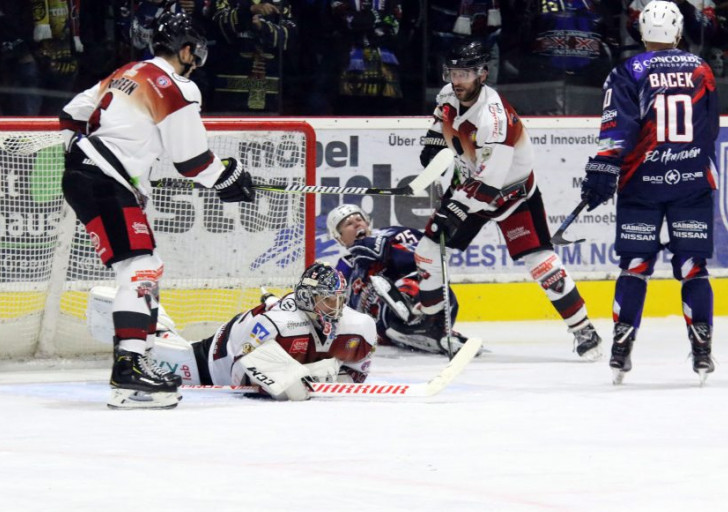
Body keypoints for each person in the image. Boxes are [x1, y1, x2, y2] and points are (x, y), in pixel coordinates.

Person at [59, 11, 255, 409]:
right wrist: (228, 178)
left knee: (149, 266)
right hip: (104, 182)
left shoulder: (126, 71)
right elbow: (194, 162)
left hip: (91, 177)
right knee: (139, 268)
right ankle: (129, 370)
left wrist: (91, 156)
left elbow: (72, 114)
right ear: (186, 49)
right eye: (195, 51)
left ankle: (137, 360)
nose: (196, 58)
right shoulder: (177, 87)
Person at [416, 40, 603, 361]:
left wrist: (456, 210)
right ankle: (433, 325)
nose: (457, 80)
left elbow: (490, 183)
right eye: (453, 73)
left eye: (465, 74)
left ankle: (582, 328)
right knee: (427, 251)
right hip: (468, 183)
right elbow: (440, 120)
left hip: (511, 191)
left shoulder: (494, 118)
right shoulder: (449, 93)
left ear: (482, 74)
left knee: (540, 262)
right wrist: (433, 145)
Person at [580, 0, 719, 384]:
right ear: (677, 32)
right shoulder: (701, 69)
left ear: (640, 32)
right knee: (693, 267)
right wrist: (687, 161)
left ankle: (621, 349)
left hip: (642, 183)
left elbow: (617, 129)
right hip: (692, 182)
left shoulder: (627, 70)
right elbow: (708, 129)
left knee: (636, 266)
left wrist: (605, 168)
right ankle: (702, 349)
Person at [87, 263, 377, 403]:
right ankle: (149, 324)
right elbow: (243, 380)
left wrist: (313, 374)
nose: (335, 308)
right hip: (205, 366)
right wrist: (311, 373)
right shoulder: (277, 323)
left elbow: (355, 377)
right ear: (305, 298)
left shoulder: (358, 326)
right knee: (152, 346)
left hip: (244, 358)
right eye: (327, 299)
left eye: (339, 299)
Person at [326, 204, 469, 355]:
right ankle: (414, 330)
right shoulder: (345, 267)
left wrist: (385, 251)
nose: (356, 223)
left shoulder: (392, 234)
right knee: (379, 285)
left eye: (359, 219)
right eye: (348, 224)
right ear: (340, 238)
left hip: (420, 299)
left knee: (424, 281)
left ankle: (431, 329)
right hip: (377, 325)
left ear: (367, 223)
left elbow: (426, 258)